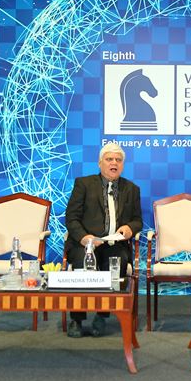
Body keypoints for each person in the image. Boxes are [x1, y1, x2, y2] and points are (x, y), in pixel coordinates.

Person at [64, 142, 143, 338]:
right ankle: (77, 319)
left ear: (122, 164)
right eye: (109, 159)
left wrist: (130, 228)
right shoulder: (83, 184)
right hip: (86, 244)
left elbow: (137, 220)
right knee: (82, 264)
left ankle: (101, 315)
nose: (114, 163)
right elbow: (71, 217)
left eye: (118, 160)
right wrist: (84, 238)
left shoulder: (131, 189)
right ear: (100, 163)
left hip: (114, 244)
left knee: (116, 263)